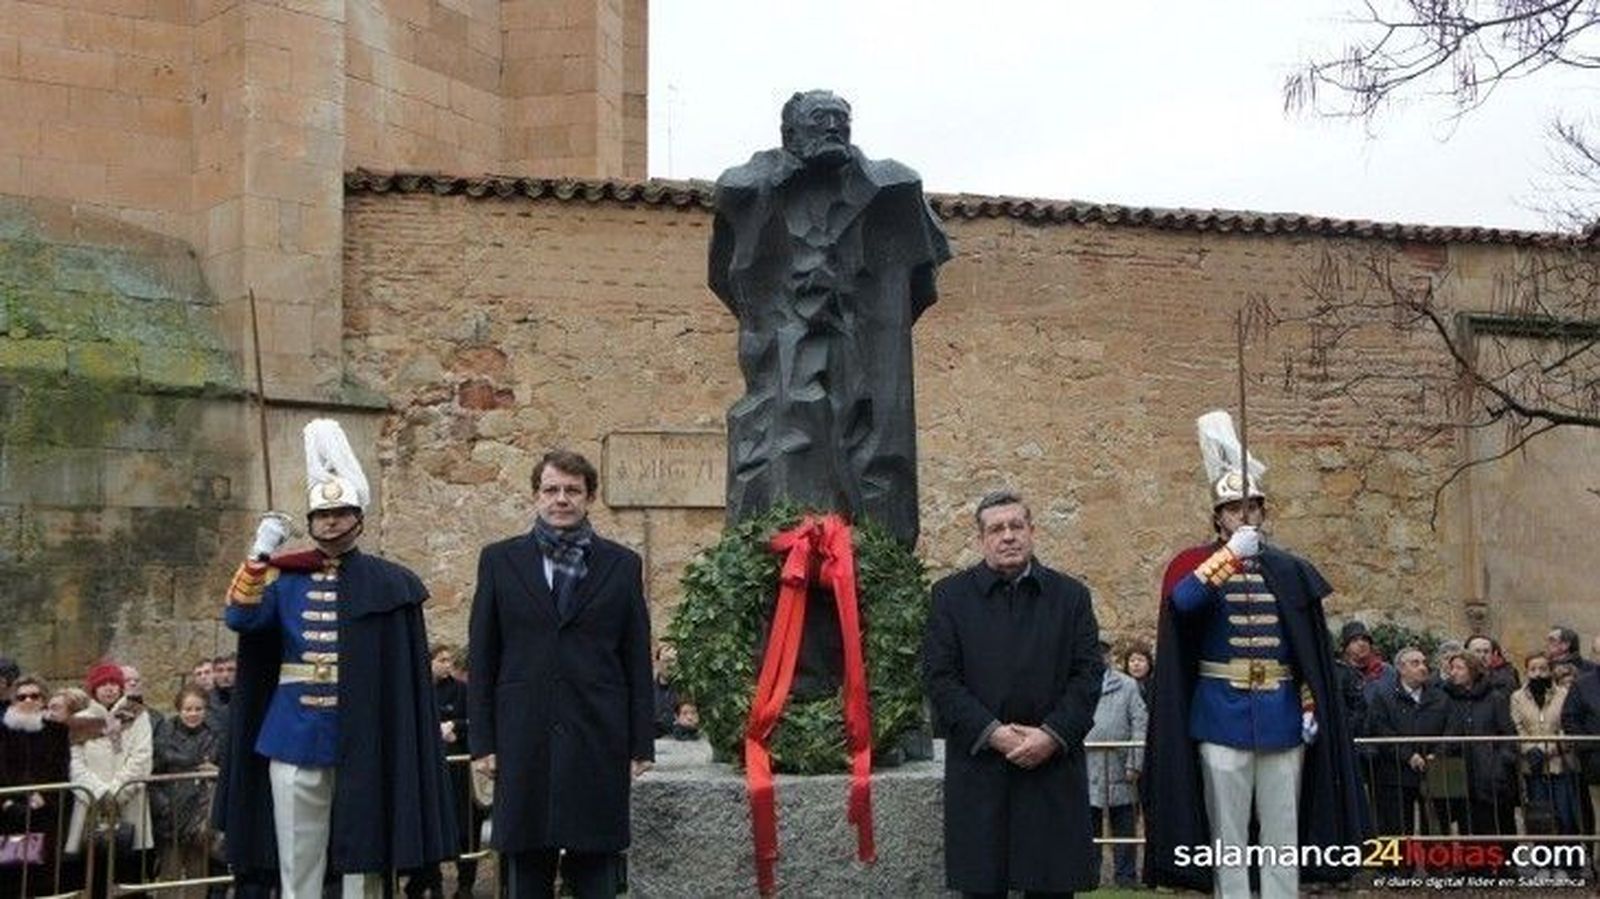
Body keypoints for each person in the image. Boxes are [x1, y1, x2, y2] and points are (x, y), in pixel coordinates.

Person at [218, 418, 455, 899]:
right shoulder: (285, 580)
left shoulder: (390, 583)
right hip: (294, 735)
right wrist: (259, 553)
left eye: (341, 513)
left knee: (361, 862)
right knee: (297, 861)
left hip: (364, 738)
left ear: (358, 518)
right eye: (321, 515)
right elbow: (240, 621)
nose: (330, 522)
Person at [708, 89, 951, 549]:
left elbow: (917, 284)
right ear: (789, 133)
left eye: (843, 119)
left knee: (864, 436)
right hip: (785, 348)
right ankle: (786, 534)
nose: (835, 127)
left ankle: (867, 534)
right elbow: (732, 282)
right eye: (822, 119)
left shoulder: (893, 191)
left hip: (857, 341)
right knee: (789, 433)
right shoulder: (749, 188)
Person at [1143, 410, 1364, 897]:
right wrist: (1228, 559)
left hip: (1282, 714)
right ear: (1218, 516)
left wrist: (1309, 703)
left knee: (1283, 835)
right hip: (1221, 713)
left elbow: (1306, 652)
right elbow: (1183, 605)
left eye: (1254, 507)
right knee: (1229, 836)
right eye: (1236, 508)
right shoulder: (1196, 564)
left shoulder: (1287, 568)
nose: (1247, 515)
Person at [469, 450, 654, 899]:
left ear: (590, 497)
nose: (561, 499)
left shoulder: (622, 565)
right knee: (526, 867)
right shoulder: (499, 561)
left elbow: (635, 658)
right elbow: (483, 657)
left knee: (596, 867)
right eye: (551, 490)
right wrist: (483, 743)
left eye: (572, 490)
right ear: (536, 496)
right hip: (523, 736)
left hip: (597, 734)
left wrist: (640, 742)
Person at [923, 489, 1103, 897]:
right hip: (982, 770)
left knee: (1052, 887)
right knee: (984, 888)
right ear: (981, 539)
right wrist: (994, 734)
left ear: (1032, 531)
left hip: (1051, 768)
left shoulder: (1071, 597)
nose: (1008, 536)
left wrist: (1052, 734)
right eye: (996, 529)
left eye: (1016, 526)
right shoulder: (950, 598)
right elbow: (940, 678)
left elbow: (1089, 675)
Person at [65, 663, 154, 880]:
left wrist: (116, 791)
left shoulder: (137, 714)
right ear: (94, 689)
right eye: (103, 684)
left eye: (113, 683)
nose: (109, 688)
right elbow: (75, 763)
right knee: (93, 873)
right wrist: (99, 792)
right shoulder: (81, 721)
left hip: (128, 800)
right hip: (91, 804)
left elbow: (141, 757)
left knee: (128, 873)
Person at [1435, 650, 1517, 857]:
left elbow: (1507, 733)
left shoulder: (1494, 698)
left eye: (1459, 668)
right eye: (1452, 668)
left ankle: (1501, 862)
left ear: (1472, 670)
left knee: (1494, 819)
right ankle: (1473, 862)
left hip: (1489, 768)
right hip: (1461, 769)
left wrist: (1501, 763)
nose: (1454, 672)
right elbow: (1448, 733)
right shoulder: (1448, 698)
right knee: (1466, 820)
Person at [1365, 647, 1448, 842]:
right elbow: (1381, 730)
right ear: (1401, 669)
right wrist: (1408, 755)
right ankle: (1398, 868)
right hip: (1396, 771)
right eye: (1415, 663)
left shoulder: (1440, 697)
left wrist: (1436, 754)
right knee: (1396, 826)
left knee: (1435, 823)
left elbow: (1450, 729)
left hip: (1433, 768)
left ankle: (1437, 865)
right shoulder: (1384, 697)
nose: (1423, 668)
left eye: (1424, 663)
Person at [0, 675, 70, 897]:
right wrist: (6, 801)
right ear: (14, 701)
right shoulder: (2, 733)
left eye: (34, 696)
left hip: (44, 815)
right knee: (9, 876)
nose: (28, 700)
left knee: (41, 879)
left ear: (43, 700)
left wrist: (45, 797)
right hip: (7, 814)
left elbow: (62, 771)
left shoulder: (57, 732)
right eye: (22, 696)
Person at [1086, 640, 1146, 889]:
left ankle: (1126, 877)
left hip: (1120, 764)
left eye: (1103, 654)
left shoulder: (1128, 685)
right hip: (1087, 766)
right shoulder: (1078, 684)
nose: (1099, 658)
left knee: (1124, 824)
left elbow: (1139, 722)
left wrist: (1135, 762)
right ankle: (1088, 876)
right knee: (1088, 826)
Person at [151, 685, 220, 899]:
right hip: (172, 812)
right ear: (179, 710)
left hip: (202, 814)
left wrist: (218, 771)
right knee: (169, 876)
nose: (193, 714)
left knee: (198, 876)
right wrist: (164, 807)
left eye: (198, 709)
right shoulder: (164, 736)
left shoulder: (216, 735)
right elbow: (152, 777)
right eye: (188, 709)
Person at [1509, 652, 1582, 837]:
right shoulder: (1517, 697)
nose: (1538, 674)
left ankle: (1569, 857)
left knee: (1565, 814)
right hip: (1532, 765)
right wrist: (1530, 749)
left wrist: (1545, 749)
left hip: (1560, 762)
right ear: (1526, 672)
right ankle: (1544, 857)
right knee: (1539, 814)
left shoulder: (1564, 694)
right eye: (1533, 669)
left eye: (1543, 669)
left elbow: (1568, 726)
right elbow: (1517, 727)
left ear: (1550, 671)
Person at [1121, 643, 1153, 708]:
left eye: (1141, 660)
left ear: (1149, 664)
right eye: (1132, 661)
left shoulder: (1155, 687)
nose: (1136, 664)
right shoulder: (1121, 687)